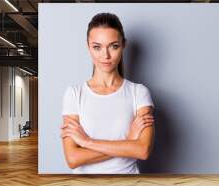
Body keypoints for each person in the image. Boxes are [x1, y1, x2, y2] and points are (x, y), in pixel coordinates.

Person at [60, 12, 155, 174]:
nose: (105, 55)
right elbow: (73, 159)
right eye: (97, 47)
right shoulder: (74, 94)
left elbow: (142, 150)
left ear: (123, 45)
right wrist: (128, 142)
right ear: (88, 46)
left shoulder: (139, 93)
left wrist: (87, 142)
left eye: (114, 46)